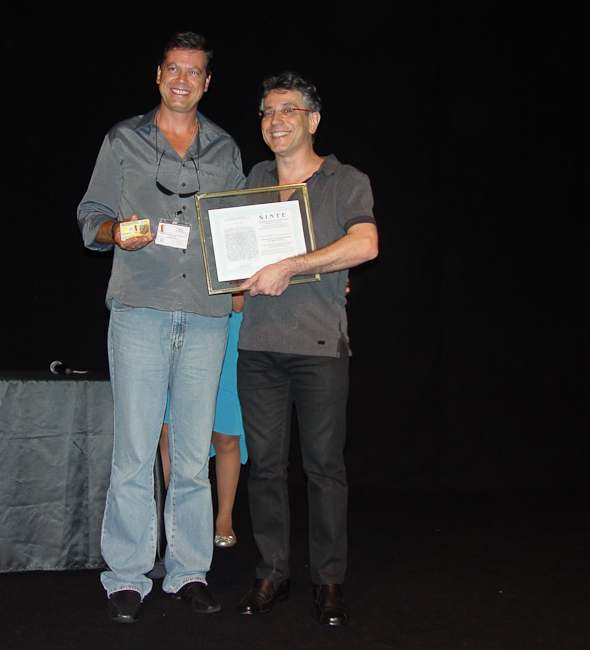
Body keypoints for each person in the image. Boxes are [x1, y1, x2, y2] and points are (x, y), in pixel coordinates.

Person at [76, 32, 245, 623]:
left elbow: (240, 227)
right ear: (158, 75)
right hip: (139, 310)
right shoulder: (122, 139)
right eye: (173, 69)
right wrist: (114, 232)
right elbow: (90, 215)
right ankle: (126, 575)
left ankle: (189, 571)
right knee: (134, 452)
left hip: (206, 315)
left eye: (193, 72)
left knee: (193, 456)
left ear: (206, 83)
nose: (182, 80)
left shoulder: (225, 148)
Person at [234, 73, 379, 627]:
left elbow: (366, 244)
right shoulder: (252, 179)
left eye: (288, 110)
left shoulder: (346, 180)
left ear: (312, 120)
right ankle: (272, 573)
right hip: (258, 348)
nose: (276, 121)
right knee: (265, 469)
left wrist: (290, 266)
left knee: (324, 469)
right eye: (268, 111)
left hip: (319, 347)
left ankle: (329, 580)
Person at [159, 292, 246, 547]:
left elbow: (238, 303)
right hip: (180, 326)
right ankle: (166, 515)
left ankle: (224, 519)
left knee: (225, 435)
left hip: (226, 331)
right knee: (167, 432)